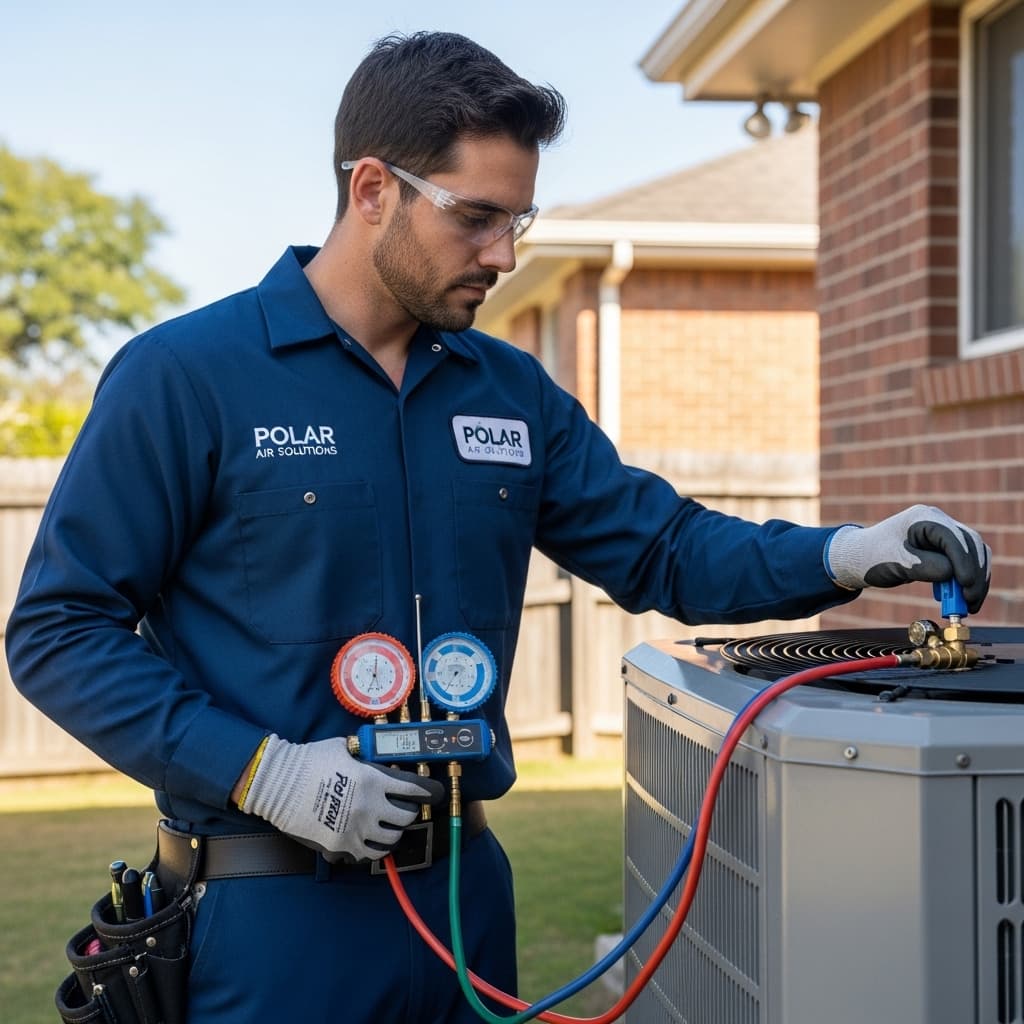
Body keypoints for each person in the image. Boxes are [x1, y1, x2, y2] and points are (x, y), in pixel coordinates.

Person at [5, 30, 990, 1024]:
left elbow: (662, 549)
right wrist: (263, 771)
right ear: (373, 189)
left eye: (518, 218)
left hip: (468, 903)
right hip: (267, 917)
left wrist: (847, 555)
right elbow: (59, 631)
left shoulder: (509, 392)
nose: (504, 256)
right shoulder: (187, 376)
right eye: (475, 217)